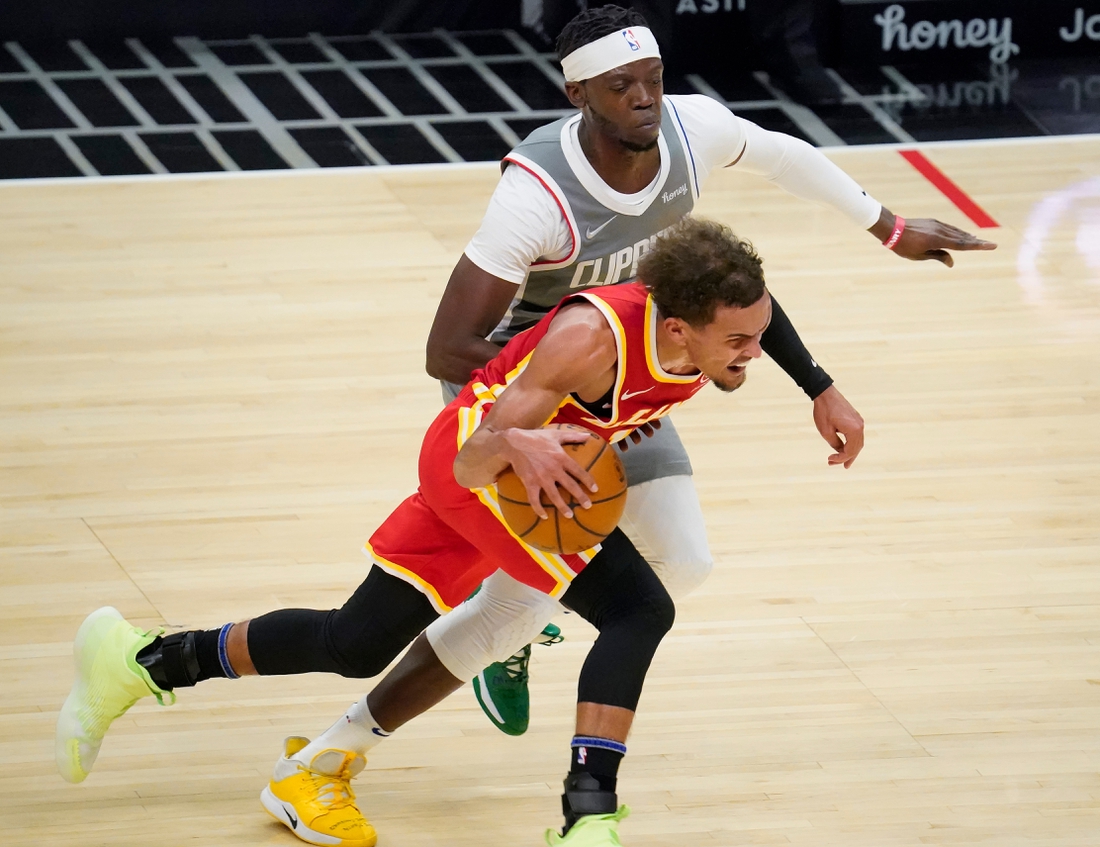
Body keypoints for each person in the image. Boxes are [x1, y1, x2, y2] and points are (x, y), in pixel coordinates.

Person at [61, 218, 789, 847]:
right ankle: (588, 812)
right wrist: (521, 443)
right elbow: (479, 452)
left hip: (491, 471)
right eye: (742, 340)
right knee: (639, 608)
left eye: (756, 334)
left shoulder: (708, 323)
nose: (754, 350)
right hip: (480, 465)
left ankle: (143, 659)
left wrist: (819, 386)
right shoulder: (591, 338)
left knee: (356, 640)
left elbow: (764, 314)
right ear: (677, 328)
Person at [426, 3, 997, 736]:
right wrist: (588, 406)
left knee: (686, 561)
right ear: (579, 96)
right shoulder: (536, 198)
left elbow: (784, 158)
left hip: (621, 381)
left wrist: (886, 232)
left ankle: (521, 620)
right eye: (620, 86)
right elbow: (448, 347)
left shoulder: (692, 131)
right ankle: (498, 636)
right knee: (533, 587)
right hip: (518, 396)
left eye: (654, 81)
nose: (644, 99)